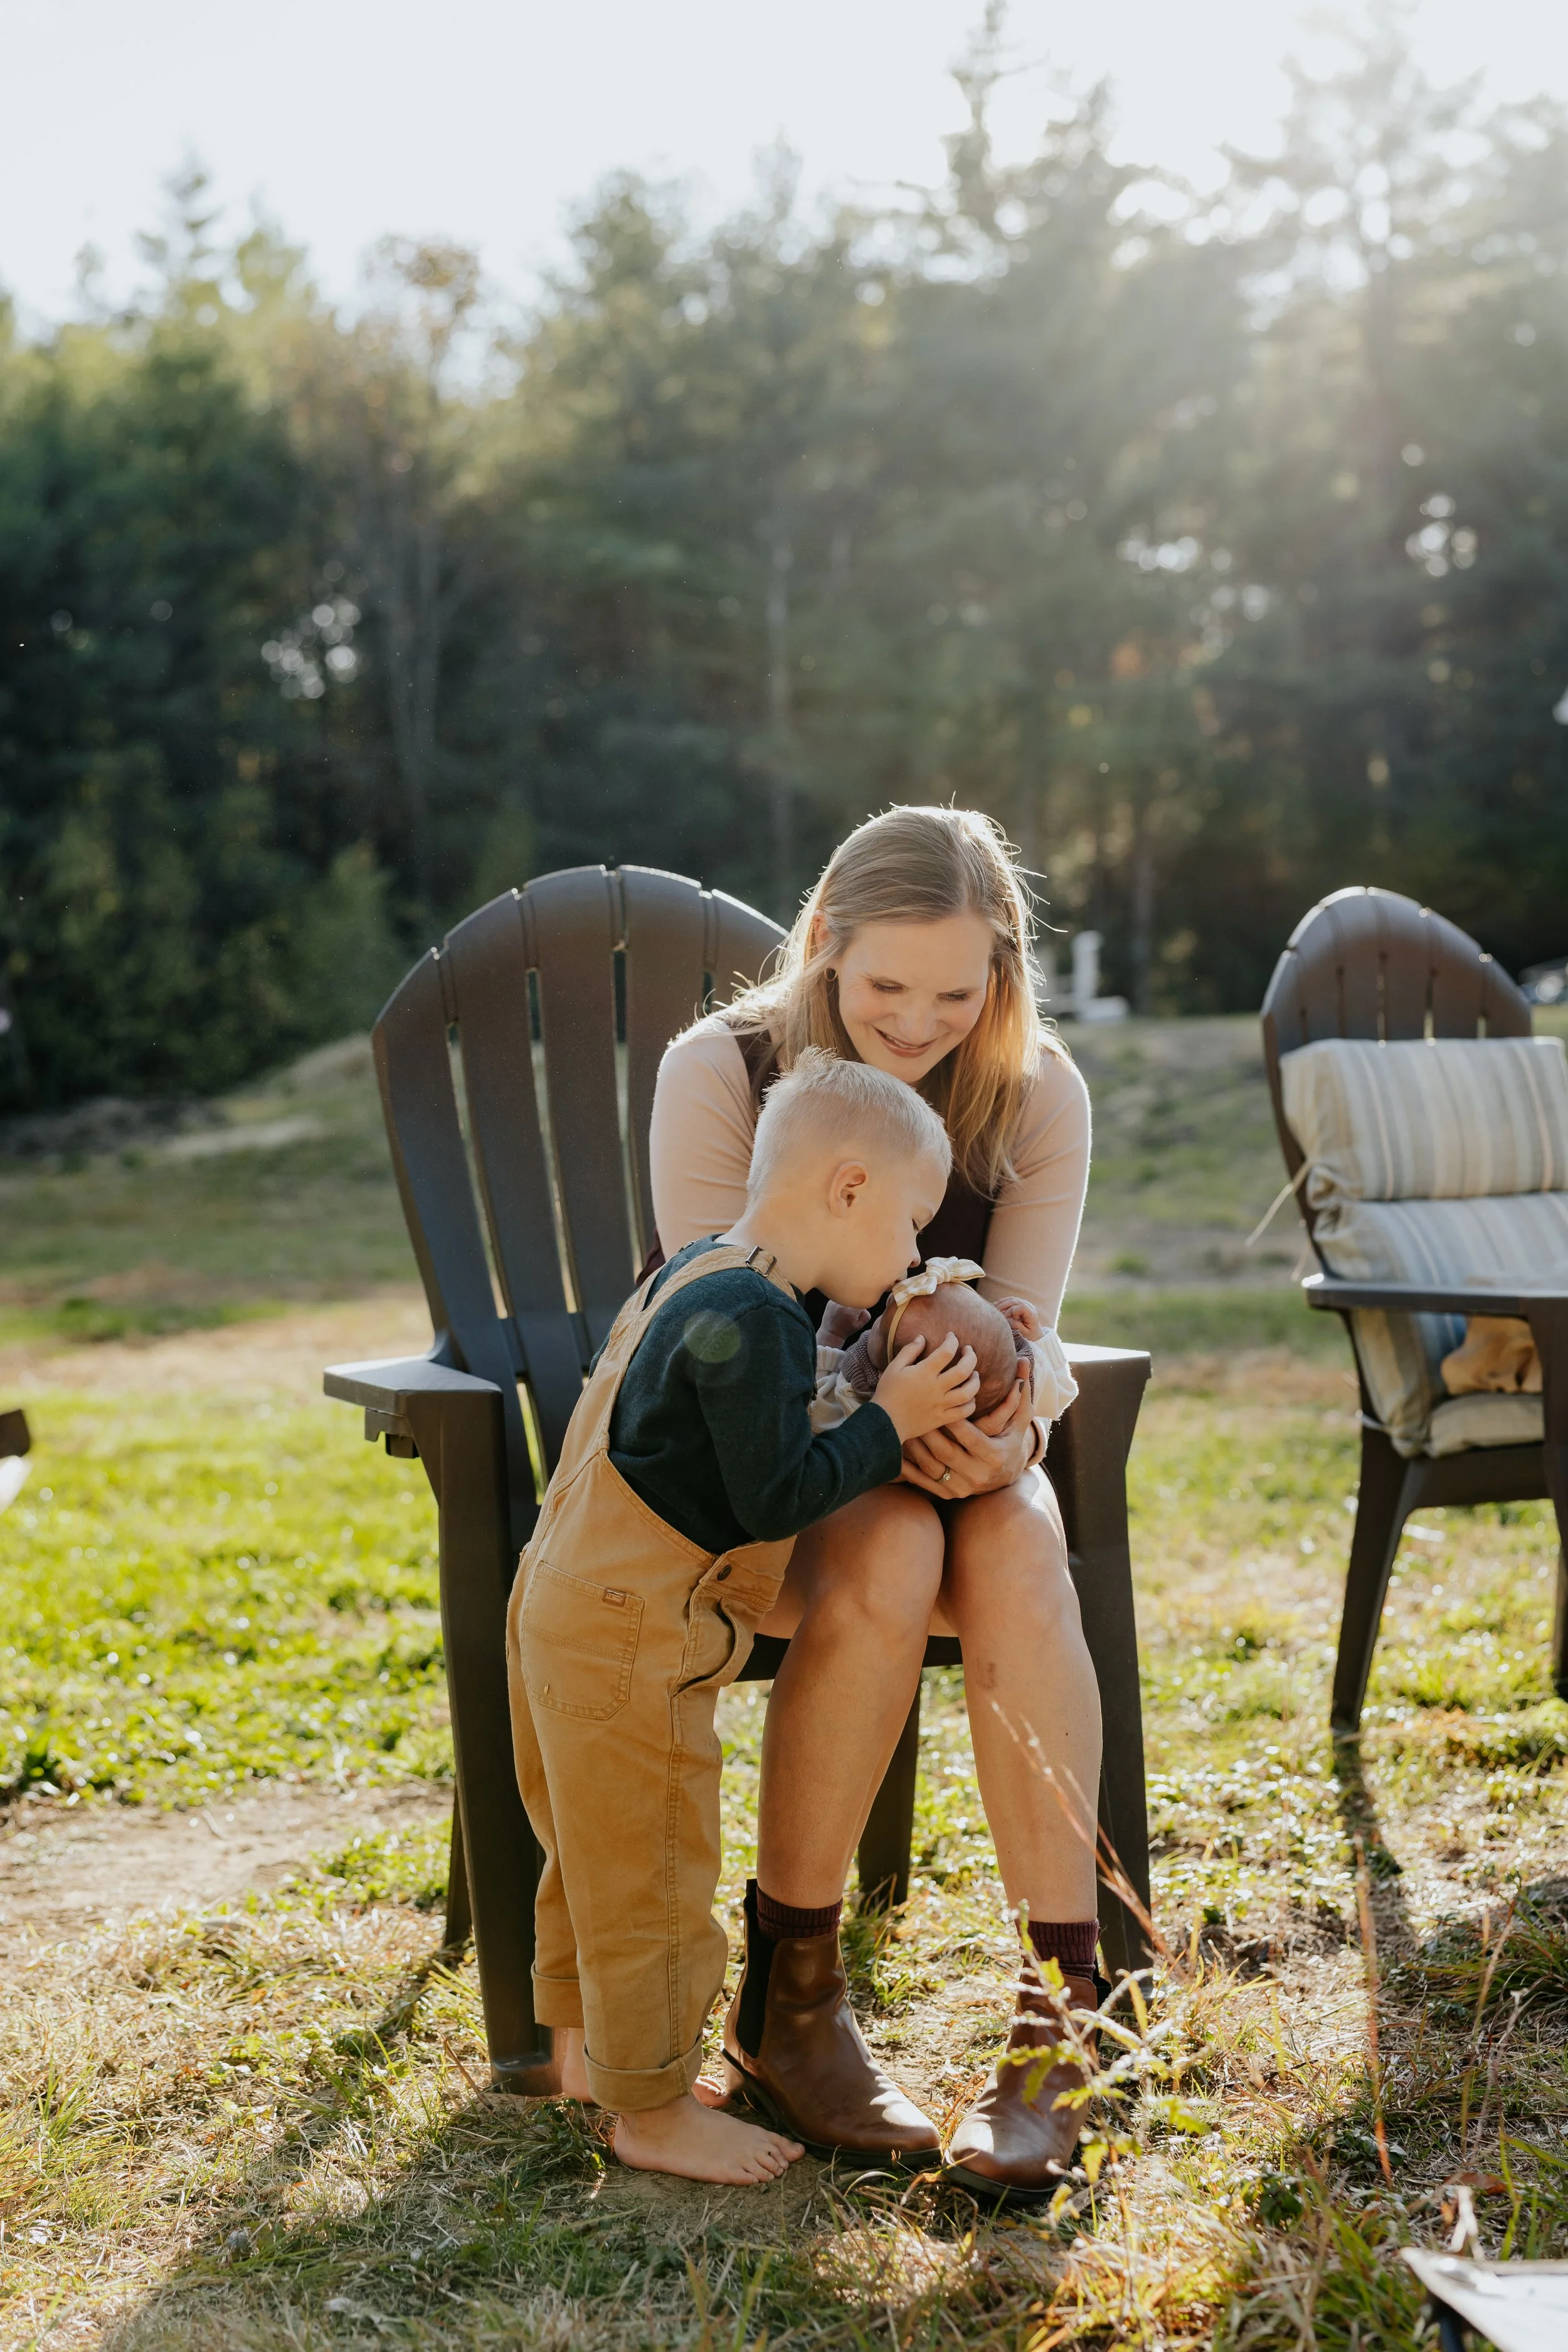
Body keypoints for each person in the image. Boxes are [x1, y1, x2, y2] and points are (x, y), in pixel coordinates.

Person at [648, 804, 1102, 2200]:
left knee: (1017, 1545)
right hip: (761, 1471)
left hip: (944, 1445)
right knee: (890, 1543)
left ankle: (1063, 2017)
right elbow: (719, 1316)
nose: (915, 1022)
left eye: (956, 994)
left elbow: (1027, 1322)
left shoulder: (1032, 1094)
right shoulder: (720, 1070)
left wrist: (1013, 1421)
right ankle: (792, 2002)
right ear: (825, 946)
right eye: (883, 986)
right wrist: (886, 1425)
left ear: (1002, 979)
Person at [506, 1049, 981, 2186]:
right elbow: (778, 1495)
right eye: (912, 1223)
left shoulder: (699, 1272)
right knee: (656, 1871)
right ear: (849, 1188)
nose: (915, 1253)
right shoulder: (758, 1318)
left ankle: (586, 2054)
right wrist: (890, 1418)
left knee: (591, 1854)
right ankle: (653, 2111)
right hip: (632, 1636)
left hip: (561, 1602)